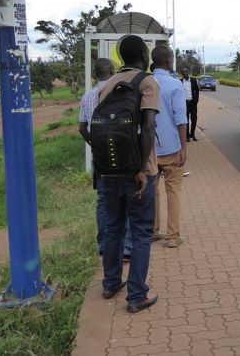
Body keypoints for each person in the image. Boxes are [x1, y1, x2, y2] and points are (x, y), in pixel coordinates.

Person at [97, 34, 159, 313]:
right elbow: (147, 128)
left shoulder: (108, 84)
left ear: (121, 58)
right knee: (143, 231)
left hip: (109, 170)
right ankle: (136, 295)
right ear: (144, 56)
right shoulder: (147, 82)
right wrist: (142, 169)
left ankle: (110, 283)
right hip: (139, 171)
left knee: (113, 227)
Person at [78, 58, 133, 262]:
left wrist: (95, 144)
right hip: (123, 156)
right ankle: (127, 247)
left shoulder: (88, 96)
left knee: (103, 201)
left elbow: (82, 128)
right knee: (126, 198)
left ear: (95, 74)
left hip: (100, 157)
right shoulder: (120, 93)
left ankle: (103, 246)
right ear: (112, 71)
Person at [151, 45, 187, 248]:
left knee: (152, 191)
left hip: (150, 150)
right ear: (168, 61)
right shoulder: (175, 85)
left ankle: (153, 232)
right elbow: (181, 119)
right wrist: (184, 147)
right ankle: (173, 237)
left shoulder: (145, 83)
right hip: (172, 147)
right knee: (173, 191)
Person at [179, 66, 199, 141]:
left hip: (193, 103)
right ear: (181, 74)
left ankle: (192, 135)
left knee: (194, 119)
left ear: (188, 72)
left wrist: (196, 100)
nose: (184, 73)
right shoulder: (180, 81)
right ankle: (187, 136)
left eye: (186, 71)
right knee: (186, 120)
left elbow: (197, 90)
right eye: (183, 72)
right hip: (184, 103)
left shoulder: (193, 80)